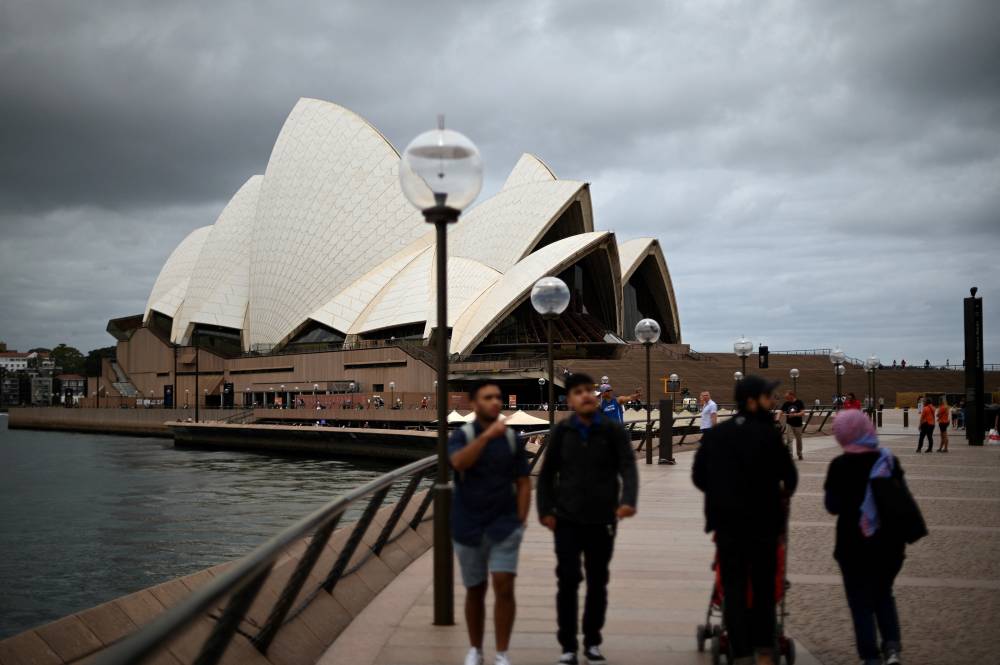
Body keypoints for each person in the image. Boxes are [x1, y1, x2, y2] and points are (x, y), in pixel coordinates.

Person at [692, 376, 798, 665]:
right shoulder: (769, 436)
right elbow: (790, 479)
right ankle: (764, 649)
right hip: (764, 526)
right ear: (752, 400)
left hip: (728, 526)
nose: (772, 401)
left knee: (734, 588)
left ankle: (739, 652)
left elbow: (699, 477)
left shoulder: (717, 436)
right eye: (768, 396)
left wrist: (722, 495)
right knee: (763, 588)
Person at [537, 372, 639, 665]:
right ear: (569, 399)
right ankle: (568, 645)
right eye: (578, 392)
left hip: (602, 518)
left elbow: (628, 468)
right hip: (566, 518)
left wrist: (628, 501)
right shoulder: (562, 432)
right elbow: (546, 475)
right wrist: (545, 511)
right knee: (567, 581)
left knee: (598, 581)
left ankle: (592, 641)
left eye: (588, 391)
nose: (585, 395)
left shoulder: (612, 430)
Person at [449, 380, 532, 665]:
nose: (496, 402)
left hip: (504, 525)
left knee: (504, 586)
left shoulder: (512, 439)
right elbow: (459, 463)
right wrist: (486, 438)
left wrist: (520, 521)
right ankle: (476, 649)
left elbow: (523, 482)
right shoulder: (461, 436)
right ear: (474, 404)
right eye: (488, 397)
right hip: (468, 525)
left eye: (498, 397)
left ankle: (501, 652)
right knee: (475, 589)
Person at [824, 409, 906, 665]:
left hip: (853, 543)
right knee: (883, 594)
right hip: (889, 543)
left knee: (859, 602)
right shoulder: (888, 460)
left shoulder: (839, 465)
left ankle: (870, 656)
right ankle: (892, 647)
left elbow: (832, 506)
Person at [780, 390, 806, 460]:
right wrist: (777, 418)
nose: (786, 399)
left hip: (798, 424)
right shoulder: (786, 403)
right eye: (786, 397)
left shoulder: (799, 402)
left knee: (799, 440)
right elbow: (781, 411)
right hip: (789, 424)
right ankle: (790, 454)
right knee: (789, 439)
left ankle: (799, 453)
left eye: (787, 397)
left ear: (792, 396)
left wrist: (795, 414)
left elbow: (803, 412)